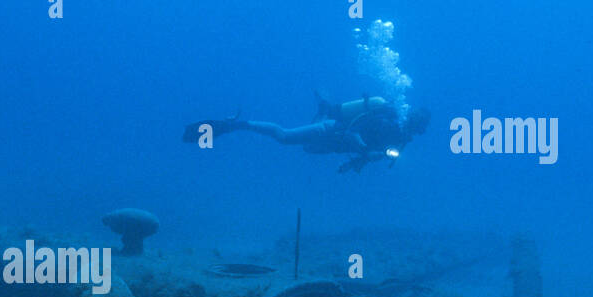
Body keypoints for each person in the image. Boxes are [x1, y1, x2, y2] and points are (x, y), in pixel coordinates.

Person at [183, 93, 431, 172]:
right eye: (416, 124)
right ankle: (234, 124)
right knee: (284, 136)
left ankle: (323, 107)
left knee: (306, 148)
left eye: (419, 129)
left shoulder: (401, 139)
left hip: (337, 145)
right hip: (334, 130)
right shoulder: (386, 117)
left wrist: (357, 162)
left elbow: (379, 154)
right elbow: (356, 131)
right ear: (411, 117)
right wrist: (362, 150)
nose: (415, 131)